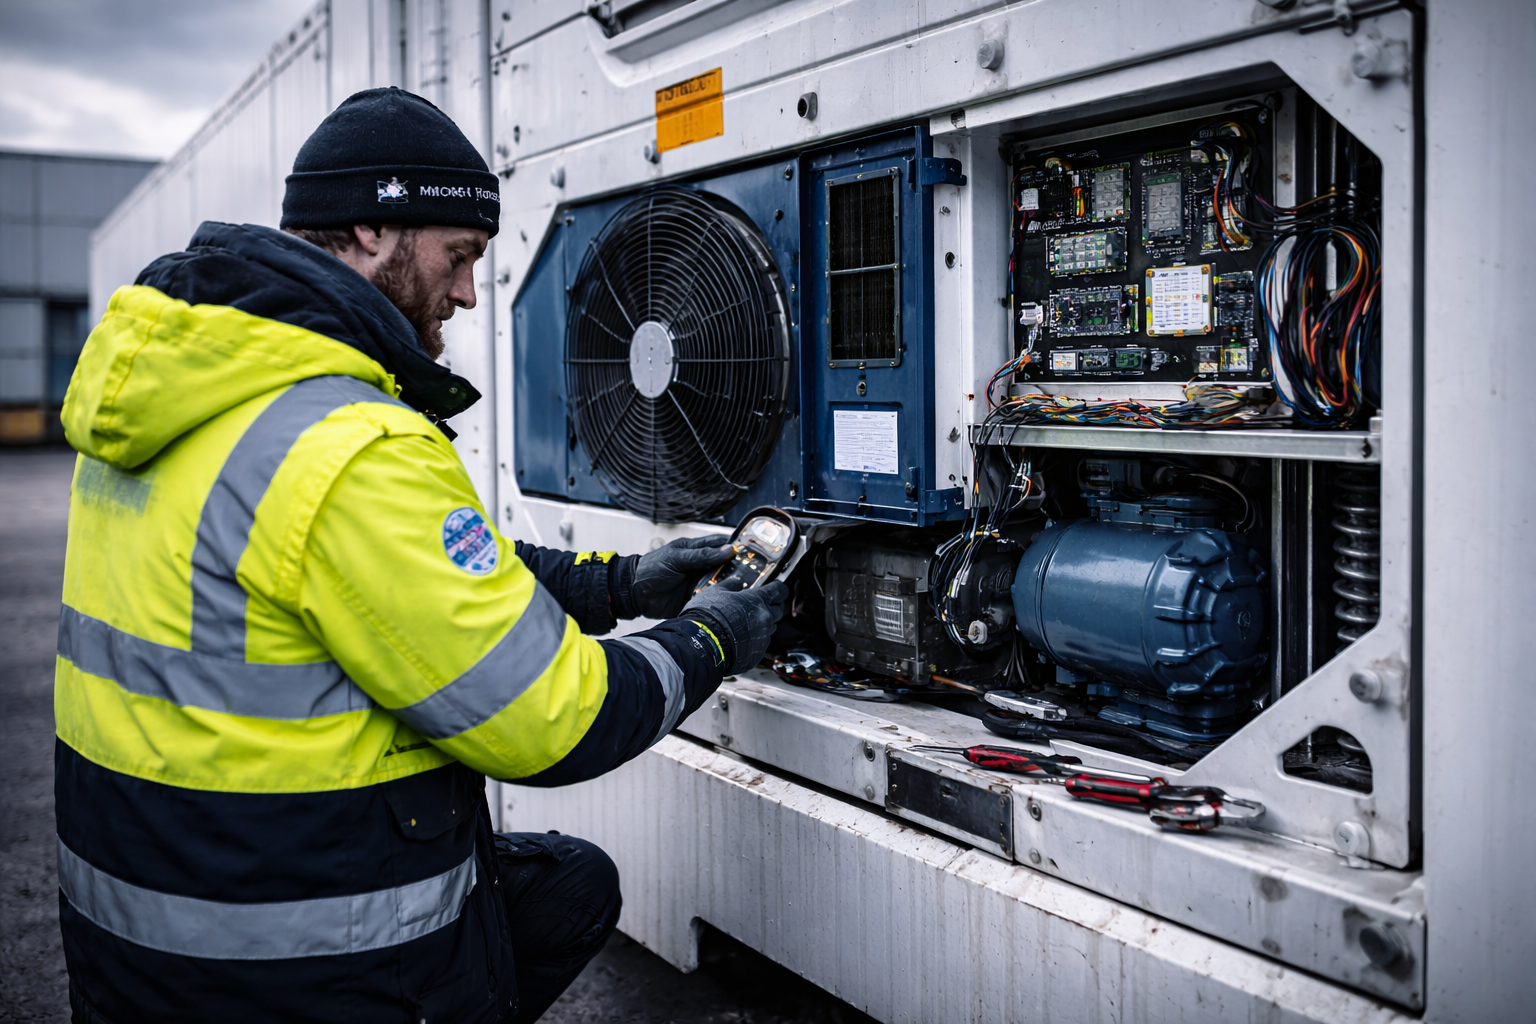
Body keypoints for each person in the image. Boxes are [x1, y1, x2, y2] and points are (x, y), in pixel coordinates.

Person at [54, 86, 786, 1024]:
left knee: (566, 885)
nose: (469, 292)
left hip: (145, 943)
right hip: (294, 969)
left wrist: (616, 586)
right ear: (370, 230)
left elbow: (393, 582)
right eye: (460, 256)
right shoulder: (346, 441)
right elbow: (553, 720)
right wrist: (711, 638)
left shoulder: (183, 394)